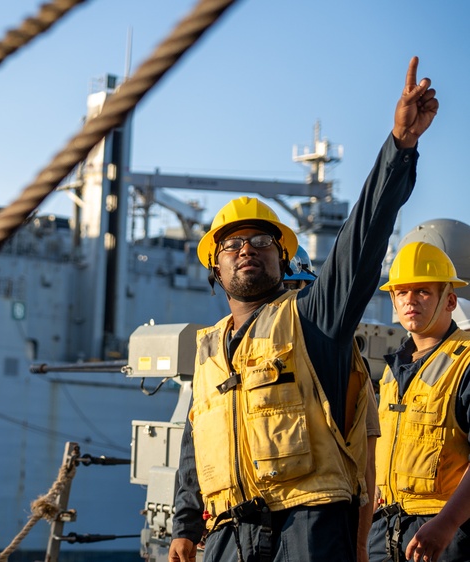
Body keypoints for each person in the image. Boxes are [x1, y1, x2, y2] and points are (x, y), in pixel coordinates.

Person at [168, 56, 438, 562]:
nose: (247, 248)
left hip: (309, 529)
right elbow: (194, 447)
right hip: (228, 536)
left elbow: (362, 241)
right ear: (215, 269)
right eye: (232, 245)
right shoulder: (208, 352)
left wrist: (399, 148)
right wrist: (185, 526)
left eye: (262, 240)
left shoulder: (313, 319)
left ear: (283, 254)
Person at [367, 242, 470, 562]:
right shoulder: (391, 372)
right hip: (385, 531)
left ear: (450, 300)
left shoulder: (465, 362)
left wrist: (446, 524)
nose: (410, 300)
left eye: (423, 291)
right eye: (402, 292)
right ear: (394, 302)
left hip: (447, 535)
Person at [283, 247, 382, 562]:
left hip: (317, 530)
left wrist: (361, 545)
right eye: (282, 290)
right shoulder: (233, 354)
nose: (286, 303)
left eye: (294, 290)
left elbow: (365, 464)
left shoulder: (345, 362)